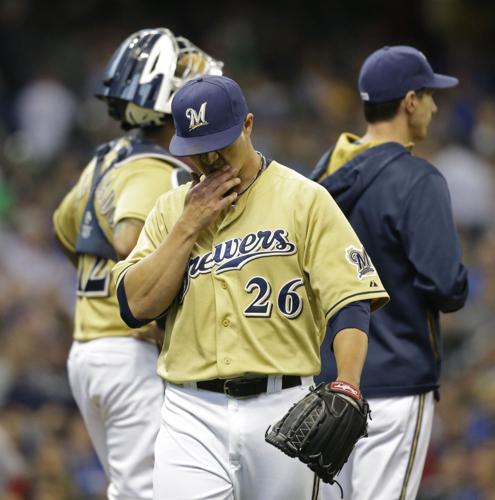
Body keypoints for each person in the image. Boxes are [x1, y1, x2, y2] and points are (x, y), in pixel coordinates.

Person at [113, 74, 389, 500]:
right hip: (191, 412)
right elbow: (135, 306)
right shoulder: (170, 210)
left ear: (248, 125)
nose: (210, 159)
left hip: (283, 407)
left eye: (220, 143)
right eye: (198, 151)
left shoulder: (303, 198)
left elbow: (350, 300)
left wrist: (348, 382)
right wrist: (188, 226)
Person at [52, 28, 223, 500]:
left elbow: (65, 228)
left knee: (134, 489)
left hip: (90, 350)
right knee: (151, 492)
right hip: (129, 349)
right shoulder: (155, 168)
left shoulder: (105, 160)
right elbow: (131, 238)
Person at [311, 45, 469, 500]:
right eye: (428, 94)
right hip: (397, 382)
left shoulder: (320, 176)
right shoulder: (418, 180)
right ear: (409, 101)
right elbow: (446, 286)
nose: (435, 105)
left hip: (330, 382)